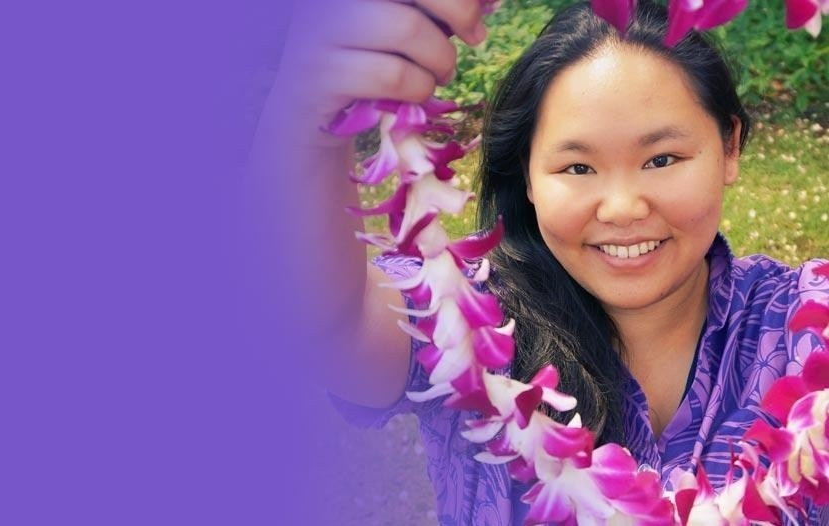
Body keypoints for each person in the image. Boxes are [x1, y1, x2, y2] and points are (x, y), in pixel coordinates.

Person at [248, 0, 829, 523]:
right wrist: (305, 124)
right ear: (527, 175)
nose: (623, 208)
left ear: (728, 147)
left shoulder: (806, 322)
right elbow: (325, 322)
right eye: (578, 168)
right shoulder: (472, 325)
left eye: (662, 158)